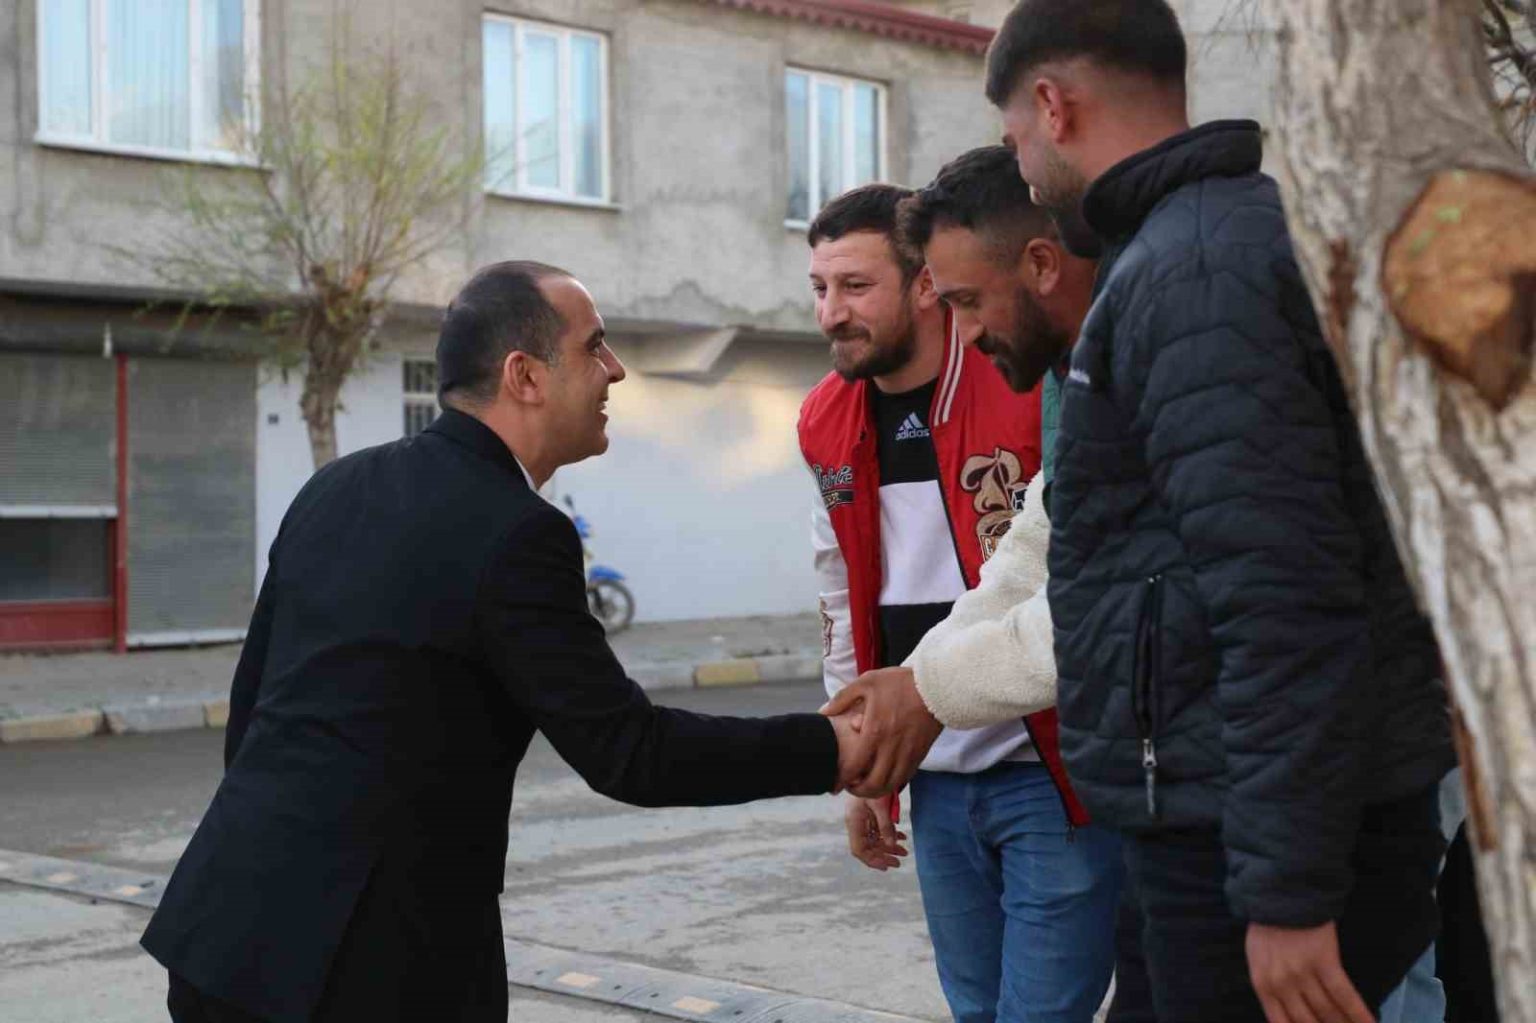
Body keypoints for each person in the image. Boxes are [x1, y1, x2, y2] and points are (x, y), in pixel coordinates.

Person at [141, 261, 873, 1023]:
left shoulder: (338, 483)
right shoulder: (518, 530)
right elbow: (630, 751)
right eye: (594, 347)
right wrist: (834, 747)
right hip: (361, 965)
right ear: (525, 375)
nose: (615, 370)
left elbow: (253, 705)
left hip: (222, 929)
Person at [985, 2, 1457, 1021]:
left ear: (1053, 105)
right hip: (1226, 820)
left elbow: (1283, 593)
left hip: (1251, 847)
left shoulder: (1196, 269)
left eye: (1015, 139)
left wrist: (1287, 894)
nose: (1022, 172)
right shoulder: (1192, 248)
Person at [800, 183, 1118, 1023]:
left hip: (1049, 765)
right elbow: (840, 591)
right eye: (820, 288)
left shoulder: (1024, 379)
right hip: (934, 773)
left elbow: (1057, 573)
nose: (832, 312)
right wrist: (858, 761)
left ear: (924, 284)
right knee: (975, 1010)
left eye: (855, 286)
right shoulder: (825, 417)